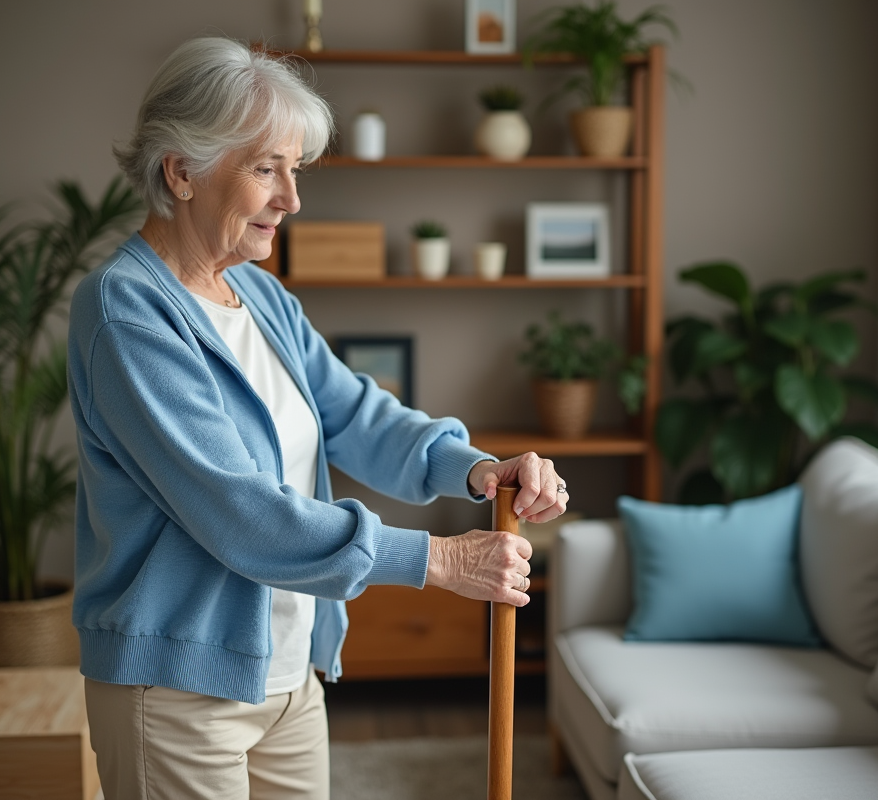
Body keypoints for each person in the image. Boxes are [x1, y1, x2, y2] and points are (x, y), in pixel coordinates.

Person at [66, 37, 568, 800]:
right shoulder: (126, 313)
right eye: (266, 168)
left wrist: (474, 468)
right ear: (182, 171)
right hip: (177, 695)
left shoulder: (260, 297)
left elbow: (358, 418)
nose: (291, 199)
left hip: (293, 670)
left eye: (294, 170)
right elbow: (243, 516)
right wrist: (440, 562)